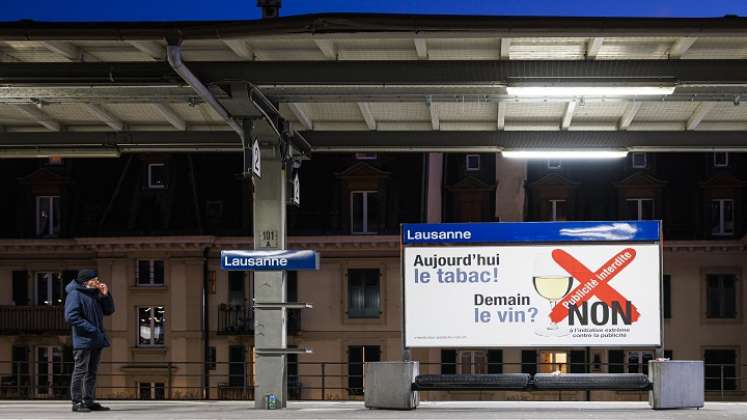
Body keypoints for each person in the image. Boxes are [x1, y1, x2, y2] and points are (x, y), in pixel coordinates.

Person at [64, 269, 115, 412]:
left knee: (92, 371)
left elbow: (109, 311)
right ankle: (77, 402)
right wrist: (91, 329)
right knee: (80, 370)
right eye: (95, 279)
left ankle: (89, 400)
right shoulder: (75, 294)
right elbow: (71, 317)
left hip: (96, 339)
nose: (98, 282)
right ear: (86, 282)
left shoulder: (94, 295)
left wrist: (105, 295)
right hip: (83, 339)